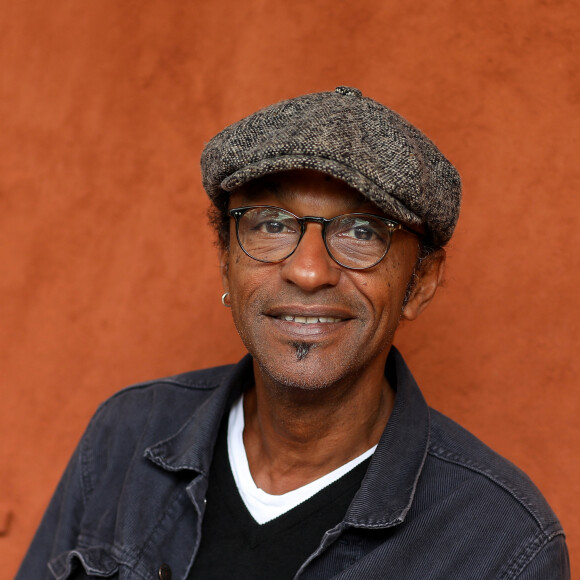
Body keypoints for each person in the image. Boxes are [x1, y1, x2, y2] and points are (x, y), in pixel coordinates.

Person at [17, 86, 569, 580]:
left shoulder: (503, 545)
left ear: (420, 281)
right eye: (272, 224)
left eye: (361, 230)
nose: (308, 272)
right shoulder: (126, 438)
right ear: (226, 260)